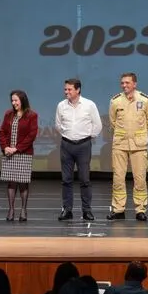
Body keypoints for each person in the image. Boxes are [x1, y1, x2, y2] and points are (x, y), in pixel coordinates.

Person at [108, 72, 148, 221]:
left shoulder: (145, 100)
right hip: (120, 144)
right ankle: (118, 209)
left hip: (139, 145)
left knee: (140, 179)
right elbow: (112, 122)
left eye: (127, 83)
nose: (124, 85)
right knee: (118, 178)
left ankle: (140, 209)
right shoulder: (115, 101)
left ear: (135, 84)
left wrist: (137, 134)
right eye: (122, 83)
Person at [55, 78, 102, 221]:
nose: (66, 92)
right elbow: (58, 125)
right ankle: (67, 210)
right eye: (65, 89)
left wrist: (87, 137)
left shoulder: (89, 105)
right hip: (66, 145)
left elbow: (97, 125)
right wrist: (67, 134)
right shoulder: (61, 106)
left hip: (83, 146)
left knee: (84, 179)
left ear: (78, 90)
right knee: (66, 180)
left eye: (69, 89)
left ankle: (87, 211)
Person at [0, 90, 38, 222]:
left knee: (23, 183)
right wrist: (5, 148)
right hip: (9, 153)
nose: (13, 103)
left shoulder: (32, 115)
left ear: (22, 100)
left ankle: (23, 209)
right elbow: (2, 132)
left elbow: (31, 135)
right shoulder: (8, 114)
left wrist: (17, 148)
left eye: (16, 100)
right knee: (11, 182)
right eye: (12, 100)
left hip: (23, 153)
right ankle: (11, 209)